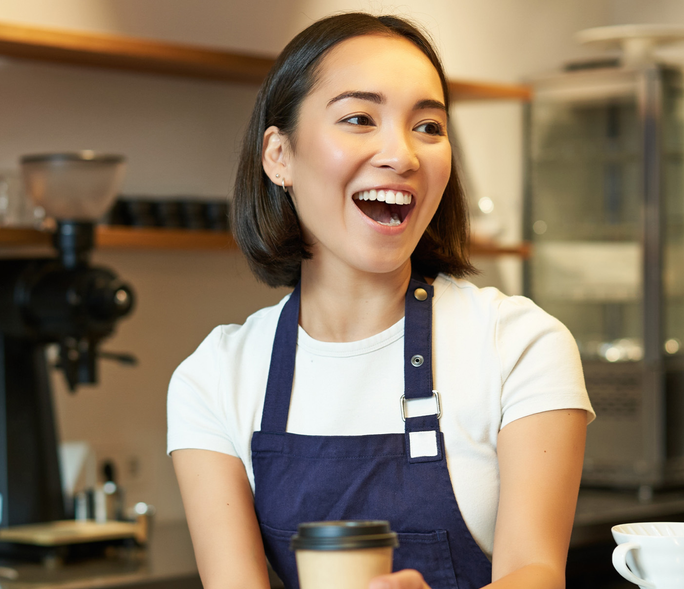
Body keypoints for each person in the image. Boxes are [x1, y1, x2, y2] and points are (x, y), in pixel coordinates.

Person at [167, 13, 592, 589]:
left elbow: (537, 573)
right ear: (279, 156)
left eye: (429, 127)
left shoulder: (518, 344)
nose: (403, 155)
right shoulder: (215, 376)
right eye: (359, 118)